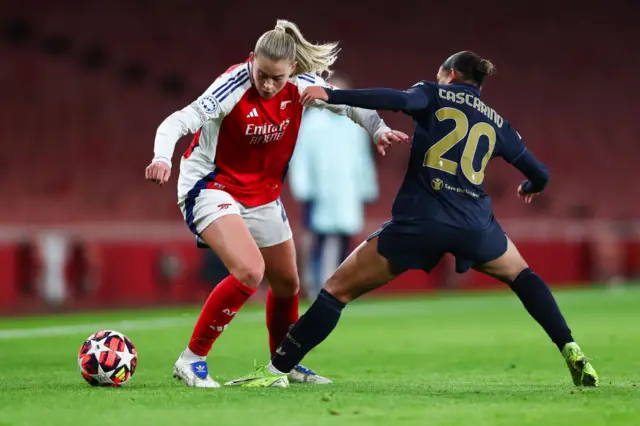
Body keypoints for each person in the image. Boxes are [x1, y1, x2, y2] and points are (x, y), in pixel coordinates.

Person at [226, 51, 599, 388]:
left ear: (450, 74)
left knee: (335, 291)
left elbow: (395, 99)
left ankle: (276, 371)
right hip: (475, 225)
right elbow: (540, 173)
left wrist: (333, 95)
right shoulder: (499, 123)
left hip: (420, 223)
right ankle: (570, 347)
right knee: (523, 276)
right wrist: (530, 185)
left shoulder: (433, 93)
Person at [145, 19, 408, 388]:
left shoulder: (303, 86)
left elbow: (350, 104)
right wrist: (162, 157)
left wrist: (378, 129)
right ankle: (192, 359)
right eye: (262, 74)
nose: (267, 85)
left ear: (294, 71)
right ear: (252, 60)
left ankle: (284, 364)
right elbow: (177, 121)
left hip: (262, 194)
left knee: (287, 281)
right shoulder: (231, 86)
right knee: (250, 272)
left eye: (277, 78)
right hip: (210, 185)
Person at [289, 72, 379, 299]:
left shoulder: (353, 122)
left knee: (342, 237)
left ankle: (337, 285)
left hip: (347, 191)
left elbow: (362, 158)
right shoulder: (312, 122)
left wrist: (366, 186)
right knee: (314, 237)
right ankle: (312, 284)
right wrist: (303, 186)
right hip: (319, 192)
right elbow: (300, 157)